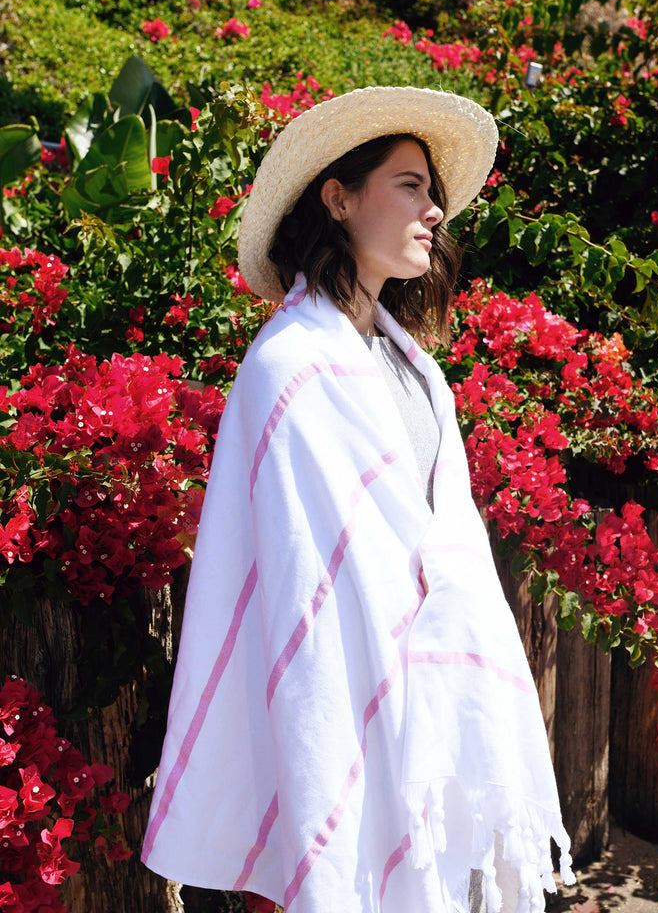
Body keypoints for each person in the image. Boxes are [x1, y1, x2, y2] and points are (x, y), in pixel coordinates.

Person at [142, 86, 574, 913]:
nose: (435, 208)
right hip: (342, 681)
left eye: (432, 190)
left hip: (434, 694)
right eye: (409, 185)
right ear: (338, 198)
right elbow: (306, 584)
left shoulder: (416, 367)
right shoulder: (290, 367)